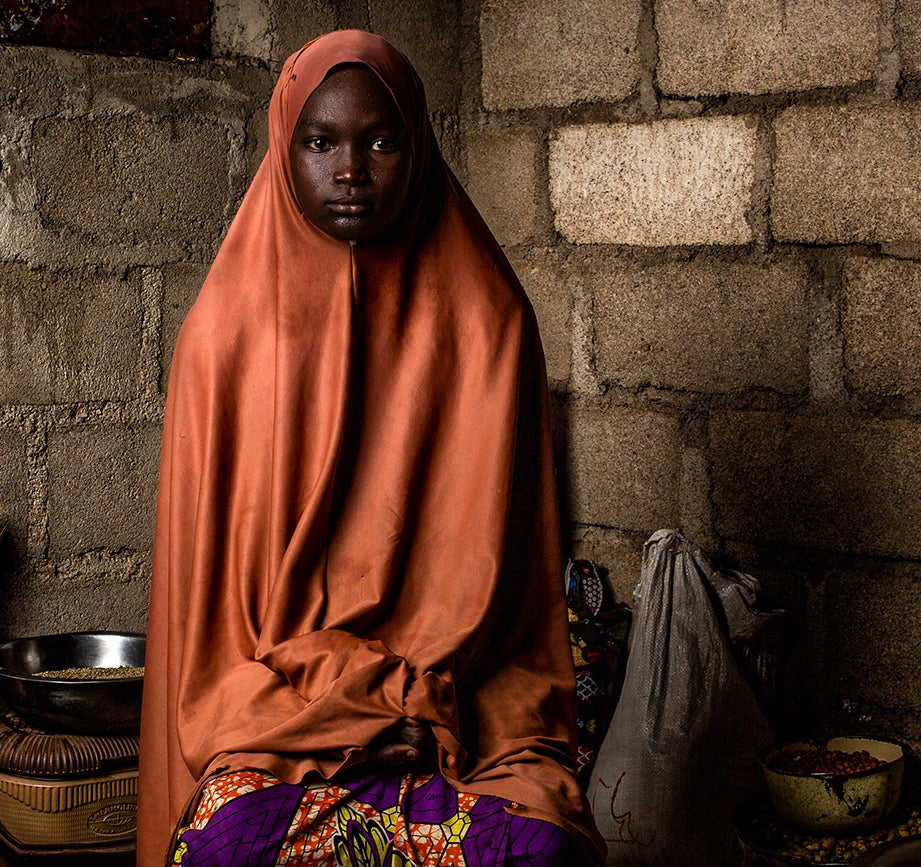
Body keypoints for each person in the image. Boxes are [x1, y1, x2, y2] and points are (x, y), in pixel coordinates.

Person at [136, 29, 606, 866]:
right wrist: (335, 690)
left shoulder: (490, 322)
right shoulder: (224, 339)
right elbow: (210, 619)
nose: (349, 169)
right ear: (286, 148)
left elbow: (510, 595)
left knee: (537, 851)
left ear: (418, 146)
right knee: (231, 846)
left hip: (468, 708)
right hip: (272, 713)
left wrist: (414, 693)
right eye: (319, 143)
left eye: (380, 141)